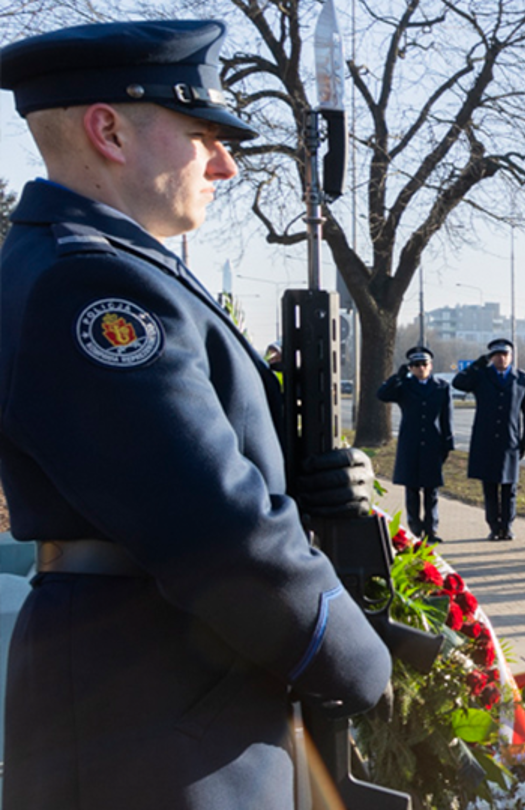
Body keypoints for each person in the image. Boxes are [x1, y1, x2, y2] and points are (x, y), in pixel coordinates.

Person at [0, 20, 391, 808]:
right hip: (152, 706)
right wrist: (352, 654)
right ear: (107, 129)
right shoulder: (94, 287)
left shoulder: (100, 264)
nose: (227, 163)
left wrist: (305, 475)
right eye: (201, 133)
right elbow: (213, 526)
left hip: (158, 688)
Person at [453, 337, 525, 541]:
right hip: (485, 439)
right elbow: (458, 383)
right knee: (489, 487)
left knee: (509, 487)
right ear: (491, 357)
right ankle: (493, 526)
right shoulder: (481, 376)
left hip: (510, 440)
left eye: (505, 354)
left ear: (511, 356)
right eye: (497, 355)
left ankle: (507, 526)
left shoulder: (522, 378)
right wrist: (476, 365)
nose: (501, 359)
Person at [377, 345, 455, 541]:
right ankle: (415, 528)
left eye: (424, 364)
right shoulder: (404, 386)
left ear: (431, 365)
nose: (421, 368)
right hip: (410, 442)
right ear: (410, 367)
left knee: (431, 491)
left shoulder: (441, 387)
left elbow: (447, 417)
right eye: (416, 365)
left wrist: (448, 442)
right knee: (412, 489)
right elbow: (382, 395)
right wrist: (398, 377)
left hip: (432, 442)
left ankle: (431, 530)